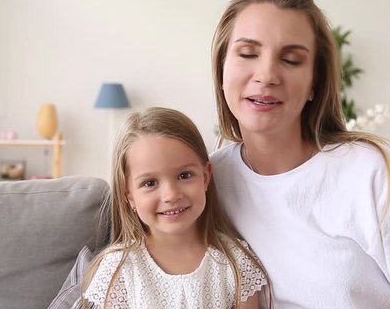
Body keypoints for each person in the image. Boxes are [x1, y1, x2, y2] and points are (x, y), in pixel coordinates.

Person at [209, 0, 390, 308]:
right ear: (222, 68)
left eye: (292, 60)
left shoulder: (370, 171)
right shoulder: (204, 182)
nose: (267, 74)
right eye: (248, 53)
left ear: (315, 82)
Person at [79, 107, 269, 309]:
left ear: (205, 177)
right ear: (129, 195)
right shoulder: (119, 268)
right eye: (150, 183)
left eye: (184, 175)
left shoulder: (236, 261)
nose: (171, 195)